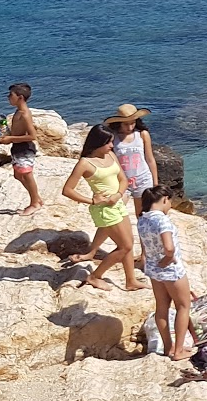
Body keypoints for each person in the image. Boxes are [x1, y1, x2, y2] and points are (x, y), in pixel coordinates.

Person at [61, 124, 145, 290]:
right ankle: (94, 276)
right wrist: (92, 201)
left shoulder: (111, 155)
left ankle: (131, 281)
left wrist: (118, 195)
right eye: (108, 143)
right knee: (125, 246)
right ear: (98, 143)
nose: (112, 146)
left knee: (129, 243)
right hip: (104, 210)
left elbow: (123, 179)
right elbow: (67, 190)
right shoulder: (85, 164)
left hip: (117, 204)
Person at [137, 185, 194, 361]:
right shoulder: (161, 220)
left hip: (154, 271)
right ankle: (178, 351)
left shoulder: (142, 219)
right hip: (171, 271)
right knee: (183, 306)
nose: (170, 206)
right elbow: (169, 248)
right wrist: (167, 258)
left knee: (161, 308)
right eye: (170, 202)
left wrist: (158, 262)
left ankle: (168, 347)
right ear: (164, 200)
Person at [0, 83, 44, 216]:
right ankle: (36, 197)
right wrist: (5, 135)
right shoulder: (17, 111)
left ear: (20, 97)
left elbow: (32, 136)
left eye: (11, 95)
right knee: (18, 175)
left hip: (25, 148)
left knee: (27, 174)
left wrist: (10, 139)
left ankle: (34, 203)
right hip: (17, 148)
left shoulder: (25, 114)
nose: (8, 97)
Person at [106, 104, 159, 207]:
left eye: (132, 123)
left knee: (142, 214)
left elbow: (150, 159)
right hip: (122, 181)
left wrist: (155, 183)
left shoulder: (142, 134)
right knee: (117, 210)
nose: (130, 127)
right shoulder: (112, 137)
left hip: (143, 179)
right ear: (119, 123)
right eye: (126, 124)